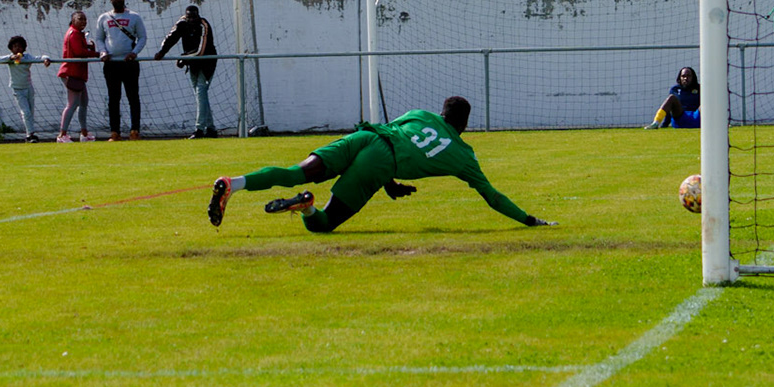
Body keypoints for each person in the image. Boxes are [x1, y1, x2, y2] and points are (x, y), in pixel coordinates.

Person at [206, 95, 553, 234]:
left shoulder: (421, 114)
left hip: (365, 137)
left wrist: (391, 184)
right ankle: (308, 206)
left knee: (295, 172)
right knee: (324, 225)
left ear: (441, 112)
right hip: (381, 163)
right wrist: (529, 219)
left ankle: (233, 183)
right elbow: (492, 196)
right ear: (463, 123)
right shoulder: (464, 155)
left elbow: (393, 134)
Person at [155, 4, 220, 137]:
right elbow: (171, 37)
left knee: (201, 91)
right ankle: (211, 129)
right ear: (186, 16)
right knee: (200, 95)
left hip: (207, 62)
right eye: (189, 17)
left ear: (198, 16)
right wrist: (162, 52)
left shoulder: (204, 25)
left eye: (194, 17)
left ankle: (199, 129)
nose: (191, 20)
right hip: (193, 63)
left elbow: (201, 51)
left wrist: (184, 58)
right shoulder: (182, 23)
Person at [93, 0, 148, 141]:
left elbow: (142, 37)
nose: (116, 1)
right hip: (111, 64)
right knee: (113, 98)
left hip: (129, 63)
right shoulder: (104, 18)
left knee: (133, 97)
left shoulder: (134, 17)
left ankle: (135, 131)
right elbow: (99, 38)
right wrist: (103, 52)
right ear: (110, 0)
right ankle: (115, 132)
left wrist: (134, 52)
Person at [0, 34, 54, 142]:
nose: (17, 49)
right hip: (17, 89)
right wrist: (11, 58)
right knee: (25, 112)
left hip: (28, 87)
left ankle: (30, 133)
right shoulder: (10, 58)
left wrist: (46, 59)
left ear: (24, 48)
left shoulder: (27, 57)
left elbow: (40, 57)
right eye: (15, 46)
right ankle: (30, 134)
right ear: (11, 48)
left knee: (30, 112)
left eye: (20, 46)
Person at [56, 10, 98, 142]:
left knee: (84, 102)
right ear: (73, 20)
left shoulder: (78, 34)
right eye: (80, 19)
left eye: (85, 19)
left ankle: (84, 133)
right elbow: (79, 52)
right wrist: (97, 54)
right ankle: (62, 135)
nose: (83, 21)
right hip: (71, 72)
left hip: (78, 74)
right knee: (73, 103)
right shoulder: (73, 33)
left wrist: (90, 47)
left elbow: (81, 49)